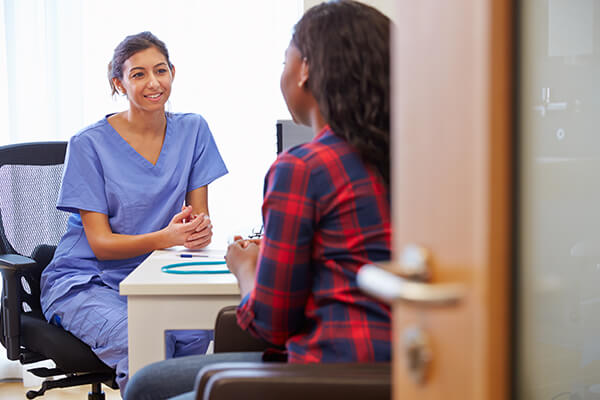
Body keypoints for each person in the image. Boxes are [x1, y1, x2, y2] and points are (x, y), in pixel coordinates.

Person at [124, 1, 391, 399]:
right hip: (400, 365)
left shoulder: (302, 168)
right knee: (148, 381)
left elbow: (271, 324)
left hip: (328, 371)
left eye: (287, 59)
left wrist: (246, 266)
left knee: (144, 388)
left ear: (305, 71)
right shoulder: (407, 159)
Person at [39, 31, 228, 392]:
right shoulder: (89, 144)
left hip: (154, 274)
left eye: (160, 70)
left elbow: (197, 220)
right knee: (140, 338)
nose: (153, 82)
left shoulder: (193, 130)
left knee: (198, 328)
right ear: (118, 83)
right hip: (84, 280)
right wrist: (166, 237)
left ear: (173, 71)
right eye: (138, 74)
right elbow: (100, 244)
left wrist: (197, 231)